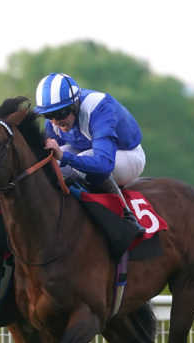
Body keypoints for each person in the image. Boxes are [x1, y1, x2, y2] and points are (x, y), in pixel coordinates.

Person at [34, 73, 145, 234]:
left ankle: (127, 217)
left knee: (70, 162)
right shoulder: (55, 118)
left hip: (127, 155)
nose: (55, 121)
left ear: (75, 104)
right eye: (48, 115)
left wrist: (65, 158)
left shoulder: (99, 108)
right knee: (53, 163)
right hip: (90, 151)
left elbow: (104, 163)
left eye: (60, 114)